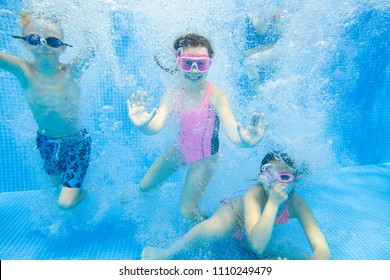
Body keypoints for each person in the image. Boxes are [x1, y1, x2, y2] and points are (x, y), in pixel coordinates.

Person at [125, 33, 266, 222]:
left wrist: (246, 141)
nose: (193, 70)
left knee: (187, 210)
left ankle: (212, 226)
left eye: (201, 64)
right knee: (144, 186)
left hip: (205, 158)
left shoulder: (217, 96)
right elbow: (156, 125)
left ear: (210, 62)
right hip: (181, 148)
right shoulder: (174, 93)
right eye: (187, 63)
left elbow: (232, 130)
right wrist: (142, 125)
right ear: (178, 61)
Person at [141, 151, 332, 260]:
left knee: (299, 255)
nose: (277, 184)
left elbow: (323, 249)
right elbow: (257, 245)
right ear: (262, 178)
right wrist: (273, 204)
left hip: (256, 230)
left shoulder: (297, 203)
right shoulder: (254, 195)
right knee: (215, 228)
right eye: (270, 176)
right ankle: (167, 252)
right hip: (234, 215)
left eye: (284, 177)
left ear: (292, 180)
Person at [0, 11, 96, 208]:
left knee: (64, 203)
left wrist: (84, 10)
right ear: (24, 43)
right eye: (34, 39)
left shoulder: (72, 71)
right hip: (46, 144)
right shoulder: (24, 70)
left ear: (62, 48)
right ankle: (76, 193)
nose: (43, 45)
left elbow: (92, 47)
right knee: (56, 191)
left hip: (76, 143)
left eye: (52, 41)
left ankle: (76, 194)